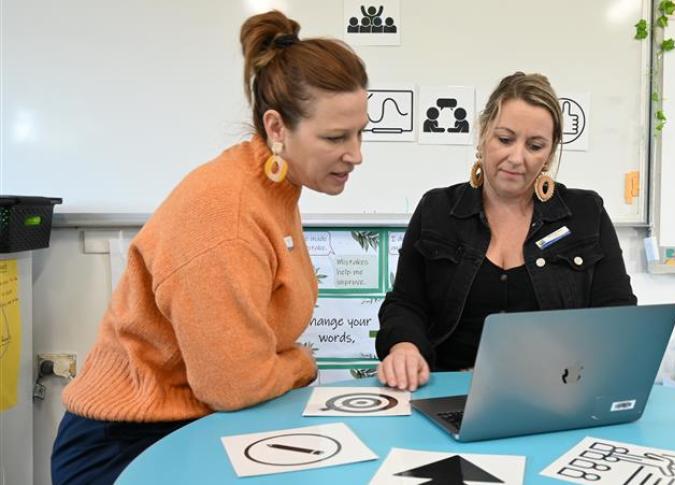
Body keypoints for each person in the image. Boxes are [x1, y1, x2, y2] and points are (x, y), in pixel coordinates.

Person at [51, 10, 368, 484]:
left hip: (191, 427)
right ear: (277, 128)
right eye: (335, 137)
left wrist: (273, 364)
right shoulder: (229, 213)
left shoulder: (274, 190)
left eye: (362, 132)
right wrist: (300, 361)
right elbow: (234, 386)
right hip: (127, 444)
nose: (356, 153)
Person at [375, 72, 636, 392]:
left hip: (558, 393)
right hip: (446, 389)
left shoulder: (585, 213)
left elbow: (618, 315)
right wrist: (404, 347)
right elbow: (405, 304)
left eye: (535, 145)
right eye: (505, 139)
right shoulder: (438, 209)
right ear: (483, 134)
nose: (517, 157)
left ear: (550, 154)